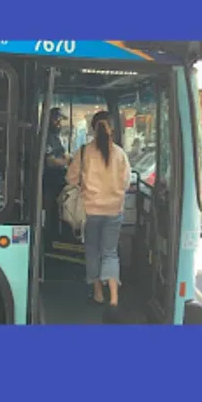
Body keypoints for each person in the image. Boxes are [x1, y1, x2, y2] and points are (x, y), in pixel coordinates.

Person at [66, 110, 131, 319]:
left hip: (90, 211)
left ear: (93, 129)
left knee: (92, 251)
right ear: (112, 129)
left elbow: (70, 178)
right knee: (110, 252)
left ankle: (98, 294)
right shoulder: (120, 154)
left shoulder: (84, 152)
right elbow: (127, 183)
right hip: (114, 211)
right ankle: (114, 299)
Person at [43, 107, 70, 246]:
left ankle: (57, 236)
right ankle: (49, 241)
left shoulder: (55, 137)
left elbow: (62, 154)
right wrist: (68, 162)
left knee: (56, 212)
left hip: (59, 182)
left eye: (60, 121)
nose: (60, 124)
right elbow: (51, 161)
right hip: (50, 182)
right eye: (57, 120)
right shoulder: (46, 137)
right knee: (50, 212)